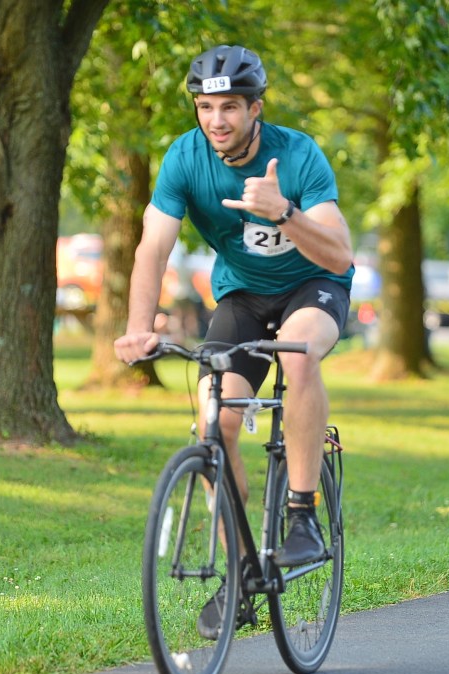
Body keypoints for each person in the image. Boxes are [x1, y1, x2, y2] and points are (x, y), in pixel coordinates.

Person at [113, 45, 354, 637]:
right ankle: (242, 571)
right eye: (204, 107)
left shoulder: (297, 154)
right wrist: (139, 327)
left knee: (296, 356)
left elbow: (341, 254)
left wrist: (286, 214)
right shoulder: (184, 158)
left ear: (255, 108)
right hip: (242, 298)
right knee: (215, 425)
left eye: (229, 107)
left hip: (314, 287)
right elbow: (152, 247)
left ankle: (302, 516)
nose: (216, 120)